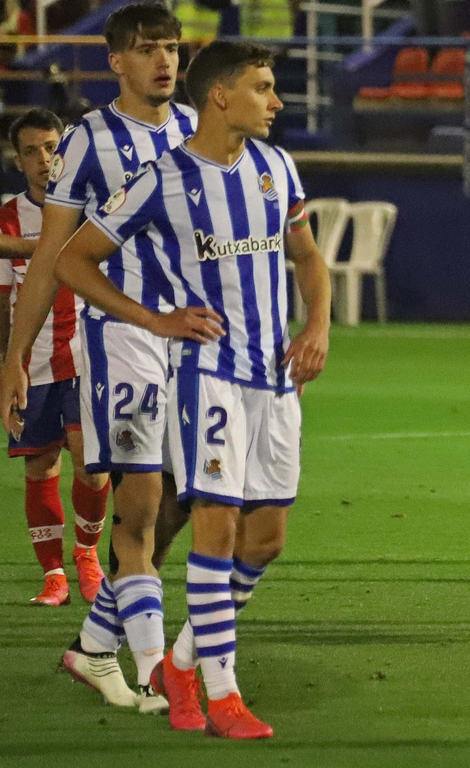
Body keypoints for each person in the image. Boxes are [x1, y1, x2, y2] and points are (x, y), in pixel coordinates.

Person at [57, 40, 332, 739]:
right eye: (263, 87)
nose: (276, 102)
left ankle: (181, 663)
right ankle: (223, 694)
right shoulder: (161, 180)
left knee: (265, 541)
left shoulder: (276, 167)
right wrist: (154, 320)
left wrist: (317, 326)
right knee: (217, 524)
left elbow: (307, 257)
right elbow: (74, 259)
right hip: (207, 375)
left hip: (275, 378)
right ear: (220, 95)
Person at [0, 3, 195, 713]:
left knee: (182, 500)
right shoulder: (87, 141)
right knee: (140, 505)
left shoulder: (198, 128)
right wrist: (15, 357)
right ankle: (156, 672)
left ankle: (94, 644)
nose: (163, 60)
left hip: (191, 340)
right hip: (121, 339)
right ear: (116, 61)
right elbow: (53, 253)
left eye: (171, 47)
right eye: (146, 49)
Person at [0, 108, 108, 609]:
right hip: (32, 367)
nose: (43, 159)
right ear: (18, 161)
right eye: (31, 151)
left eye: (52, 147)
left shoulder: (96, 210)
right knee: (39, 465)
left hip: (90, 359)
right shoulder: (5, 220)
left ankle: (87, 555)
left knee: (92, 466)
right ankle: (54, 575)